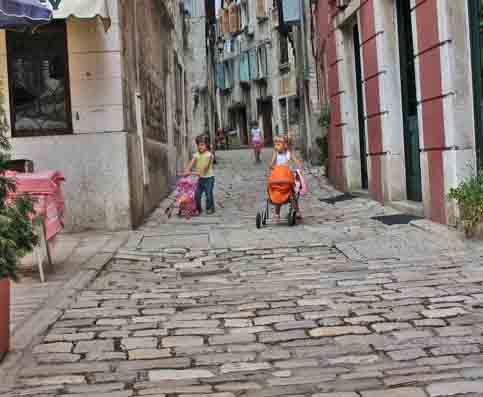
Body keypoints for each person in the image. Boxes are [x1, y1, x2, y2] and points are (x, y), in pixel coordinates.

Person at [269, 136, 304, 221]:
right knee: (278, 195)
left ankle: (297, 211)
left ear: (285, 145)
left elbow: (297, 162)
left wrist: (299, 168)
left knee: (292, 195)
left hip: (287, 177)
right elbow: (271, 164)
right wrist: (274, 168)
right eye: (276, 144)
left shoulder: (289, 154)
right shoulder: (276, 153)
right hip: (279, 177)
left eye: (279, 144)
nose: (277, 146)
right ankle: (277, 214)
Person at [184, 135, 215, 215]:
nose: (200, 146)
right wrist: (187, 170)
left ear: (206, 145)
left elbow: (206, 167)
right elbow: (191, 163)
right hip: (201, 179)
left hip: (209, 178)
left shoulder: (209, 155)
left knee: (208, 194)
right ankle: (198, 209)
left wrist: (199, 172)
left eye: (202, 145)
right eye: (198, 145)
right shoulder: (196, 155)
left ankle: (210, 208)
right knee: (197, 194)